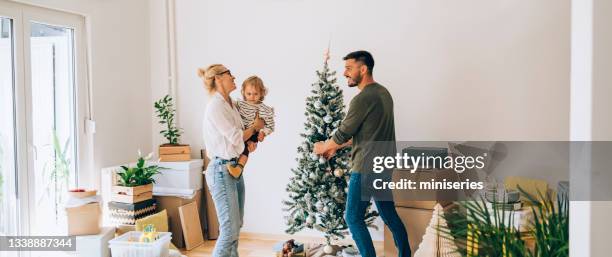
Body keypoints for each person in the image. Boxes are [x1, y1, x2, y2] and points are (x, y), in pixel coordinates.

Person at [313, 51, 410, 257]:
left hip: (366, 167)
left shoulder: (362, 99)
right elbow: (364, 133)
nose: (344, 73)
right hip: (383, 165)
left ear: (363, 69)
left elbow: (344, 132)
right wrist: (335, 147)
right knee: (388, 213)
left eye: (349, 68)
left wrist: (323, 146)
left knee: (353, 218)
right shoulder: (383, 93)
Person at [199, 64, 265, 257]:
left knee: (236, 226)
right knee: (229, 229)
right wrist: (254, 128)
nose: (233, 77)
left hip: (234, 167)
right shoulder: (215, 106)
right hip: (221, 170)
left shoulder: (231, 104)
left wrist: (252, 140)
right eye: (229, 74)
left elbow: (240, 138)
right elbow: (237, 137)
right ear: (218, 78)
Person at [227, 75, 276, 177]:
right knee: (240, 147)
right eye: (249, 93)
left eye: (255, 94)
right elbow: (230, 105)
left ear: (261, 93)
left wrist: (263, 133)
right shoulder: (240, 104)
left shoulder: (263, 109)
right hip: (241, 131)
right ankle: (236, 165)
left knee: (246, 148)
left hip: (253, 133)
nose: (252, 97)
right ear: (243, 92)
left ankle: (239, 167)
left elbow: (270, 125)